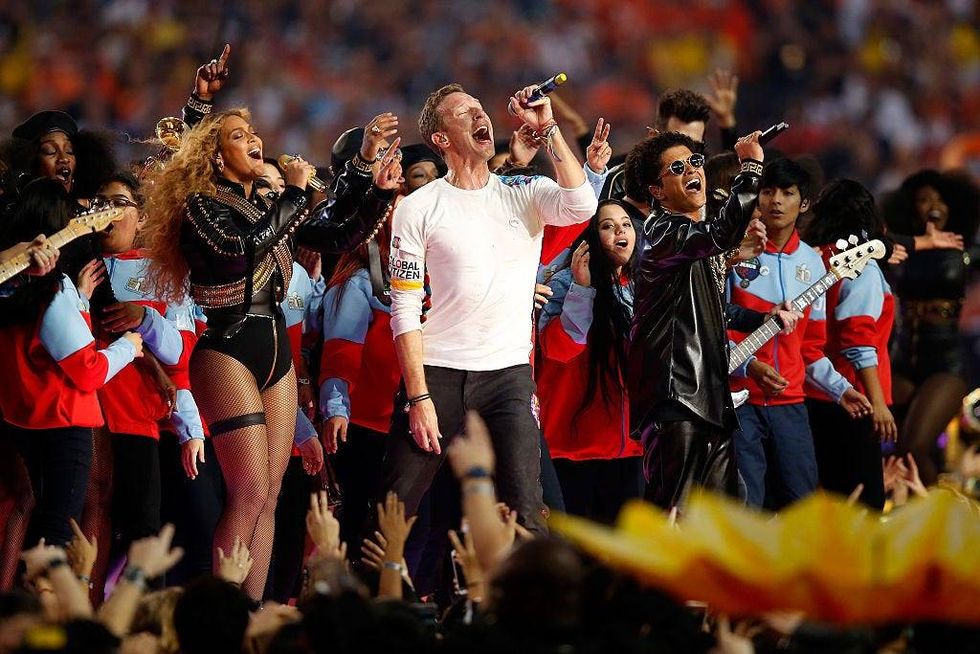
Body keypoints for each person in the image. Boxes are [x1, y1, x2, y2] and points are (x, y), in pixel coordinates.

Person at [141, 90, 402, 597]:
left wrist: (376, 187)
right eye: (238, 137)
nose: (255, 140)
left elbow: (334, 236)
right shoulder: (200, 207)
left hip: (276, 346)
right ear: (216, 157)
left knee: (272, 494)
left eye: (252, 132)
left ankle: (253, 612)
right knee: (249, 490)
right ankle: (222, 612)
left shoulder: (266, 201)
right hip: (227, 348)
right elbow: (240, 252)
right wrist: (293, 196)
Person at [384, 82, 598, 534]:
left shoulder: (524, 192)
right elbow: (403, 308)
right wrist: (419, 396)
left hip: (507, 377)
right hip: (437, 371)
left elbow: (582, 204)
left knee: (526, 509)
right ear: (441, 138)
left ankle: (518, 604)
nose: (481, 117)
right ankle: (372, 600)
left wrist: (549, 127)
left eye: (481, 109)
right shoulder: (419, 207)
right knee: (394, 511)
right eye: (465, 113)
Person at [0, 179, 142, 549]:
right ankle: (44, 605)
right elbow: (88, 371)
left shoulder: (17, 286)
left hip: (24, 418)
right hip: (64, 420)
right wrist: (128, 347)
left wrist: (80, 298)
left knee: (44, 520)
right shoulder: (52, 287)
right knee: (59, 528)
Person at [626, 129, 763, 510]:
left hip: (709, 398)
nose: (692, 170)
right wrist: (751, 168)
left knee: (722, 520)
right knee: (673, 515)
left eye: (695, 162)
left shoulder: (691, 237)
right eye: (677, 167)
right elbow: (720, 232)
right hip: (678, 397)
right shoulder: (662, 232)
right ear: (656, 190)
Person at [728, 158, 872, 509]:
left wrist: (841, 390)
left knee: (802, 508)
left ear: (804, 203)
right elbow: (713, 326)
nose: (776, 200)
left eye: (787, 193)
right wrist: (751, 368)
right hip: (738, 402)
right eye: (767, 191)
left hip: (791, 405)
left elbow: (811, 348)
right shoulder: (732, 256)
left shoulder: (815, 264)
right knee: (747, 509)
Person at [536, 200, 643, 523]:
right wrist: (582, 290)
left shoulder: (644, 285)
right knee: (578, 552)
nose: (620, 232)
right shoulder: (564, 283)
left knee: (624, 555)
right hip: (574, 445)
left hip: (631, 446)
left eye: (625, 224)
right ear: (591, 238)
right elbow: (559, 350)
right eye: (607, 226)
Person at [802, 180, 896, 509]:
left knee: (829, 501)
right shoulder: (863, 266)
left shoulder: (811, 260)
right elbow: (858, 340)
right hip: (854, 397)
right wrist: (878, 402)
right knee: (864, 505)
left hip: (812, 390)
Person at [883, 170, 980, 484]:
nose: (933, 205)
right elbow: (865, 241)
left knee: (915, 447)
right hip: (900, 361)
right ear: (912, 208)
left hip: (945, 366)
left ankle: (942, 520)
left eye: (941, 200)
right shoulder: (899, 248)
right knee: (897, 451)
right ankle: (907, 520)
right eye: (924, 200)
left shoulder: (964, 252)